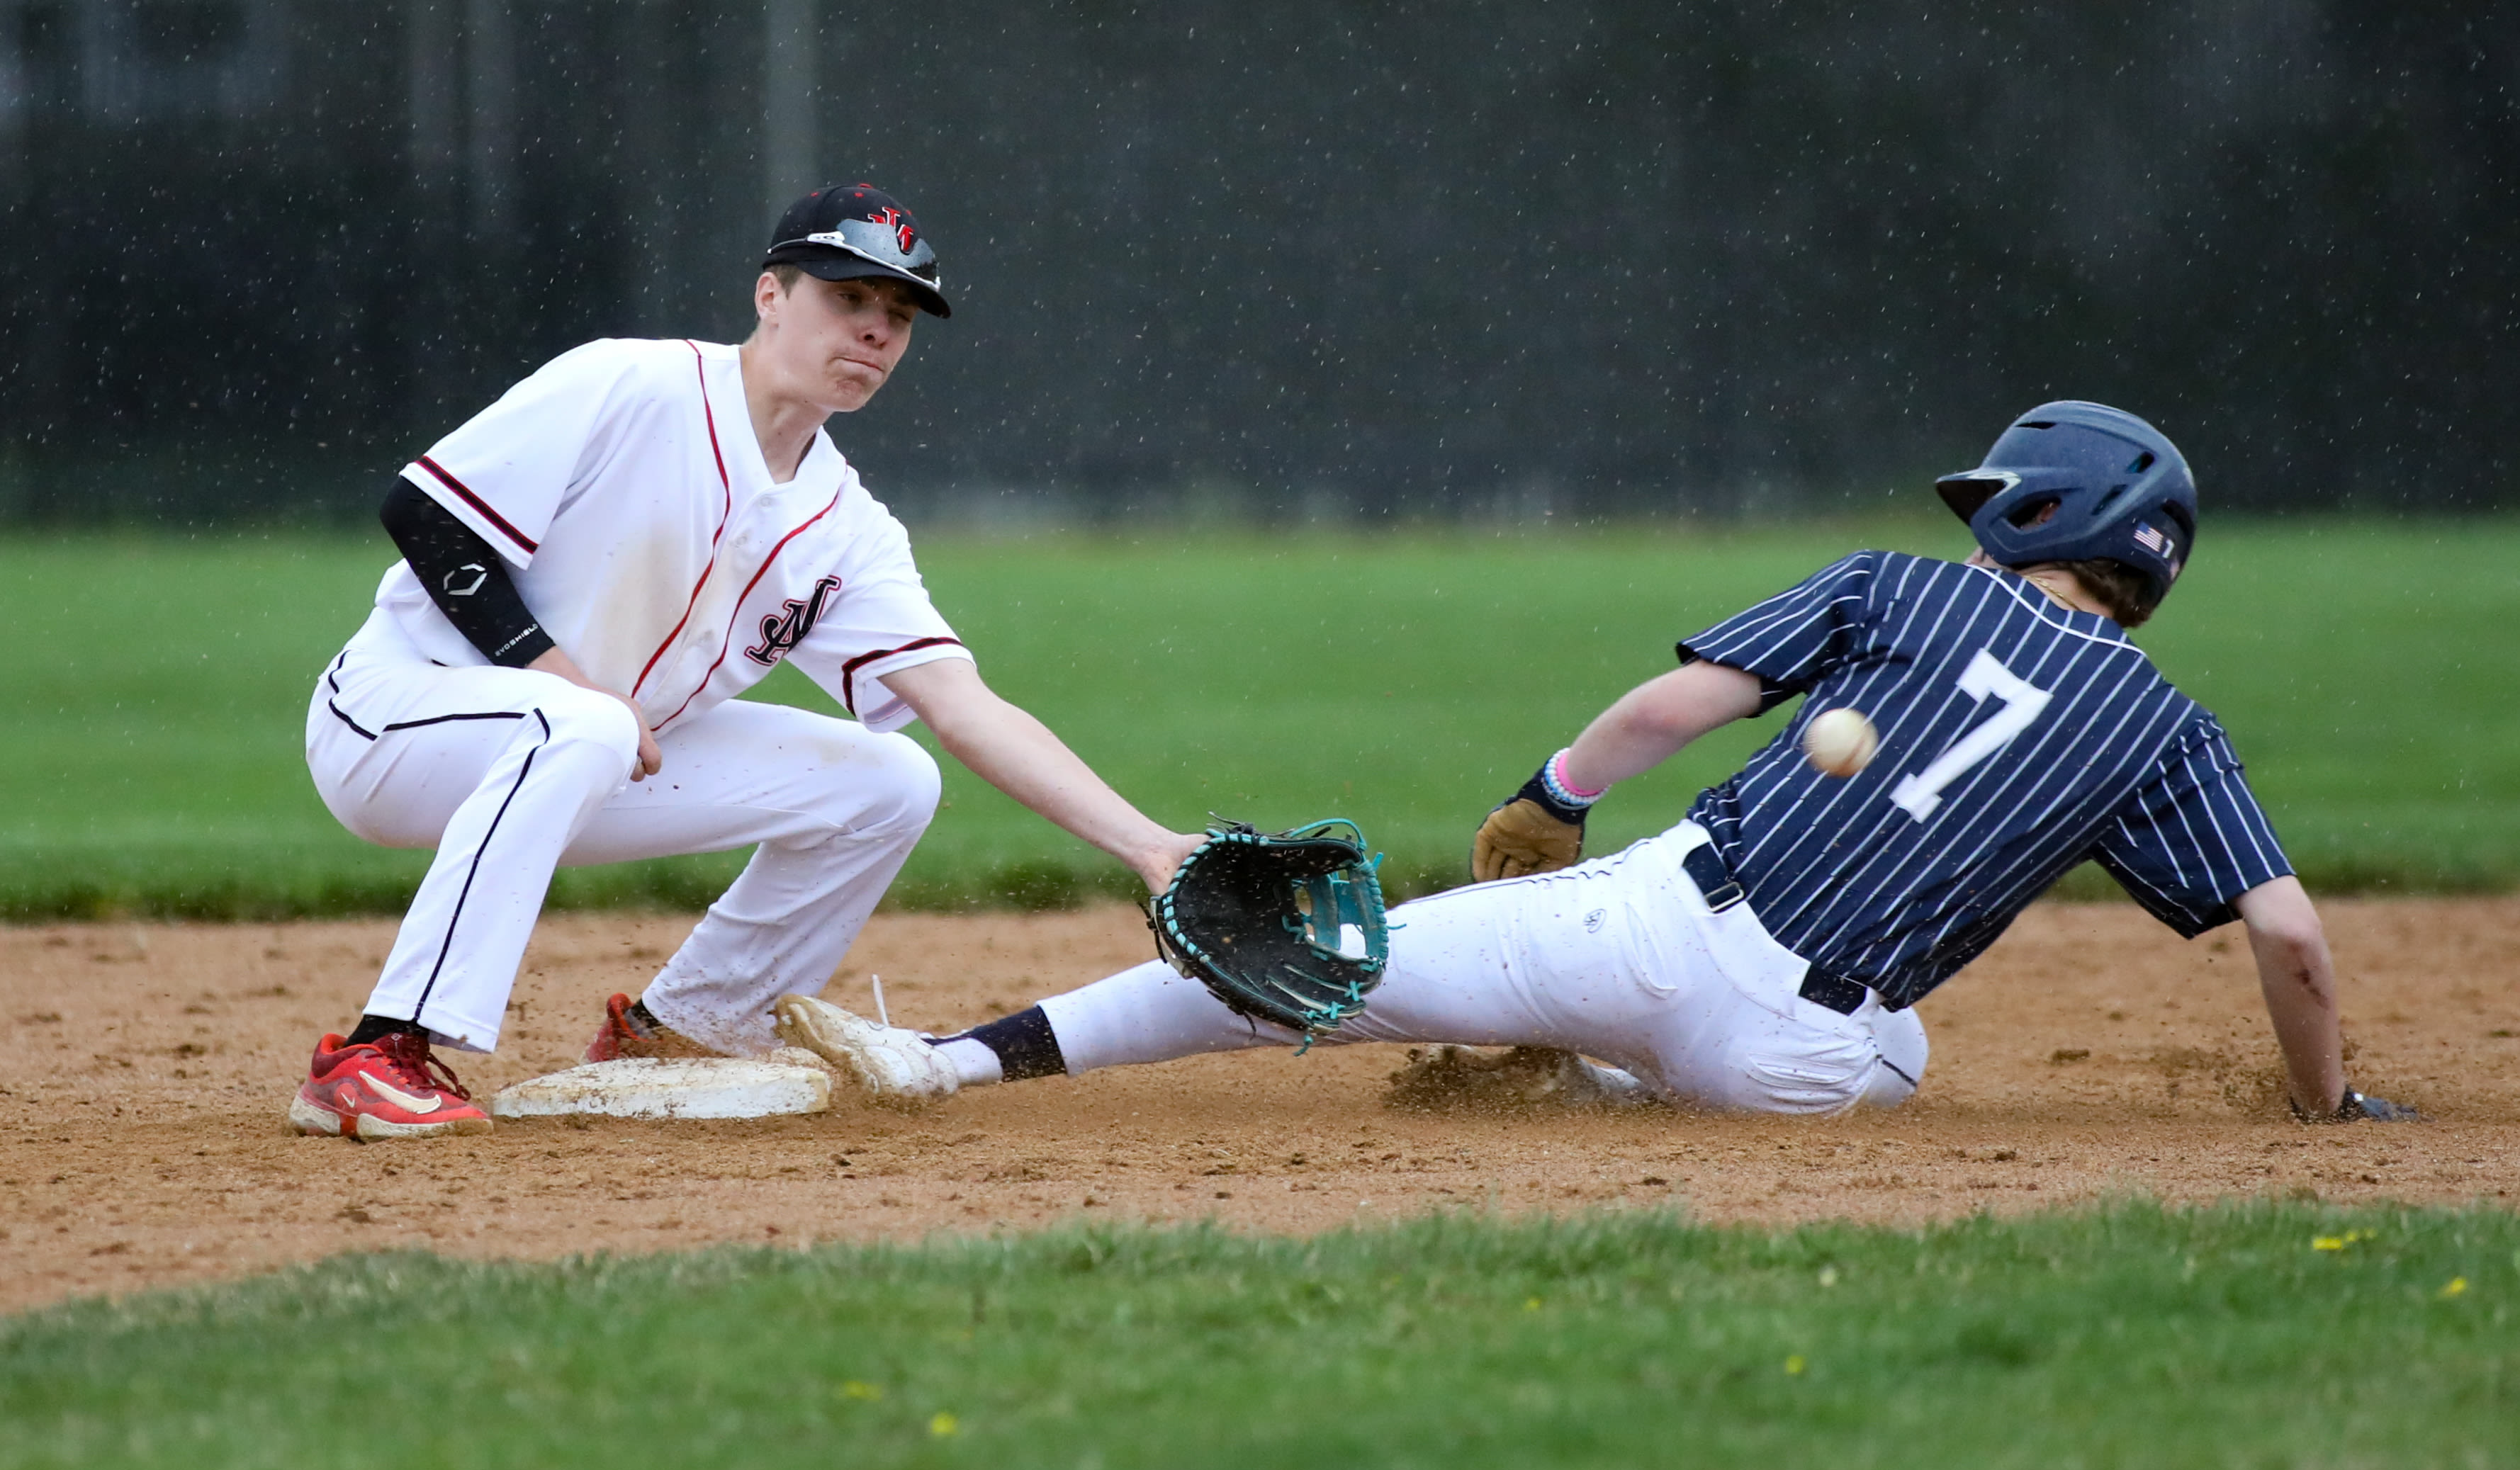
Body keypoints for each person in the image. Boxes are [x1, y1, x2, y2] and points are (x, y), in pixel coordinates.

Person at [776, 401, 2421, 1124]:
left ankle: (941, 1064)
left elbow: (1665, 710)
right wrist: (2322, 1100)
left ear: (2032, 510)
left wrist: (1553, 795)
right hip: (1785, 1062)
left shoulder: (1896, 586)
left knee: (1300, 956)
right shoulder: (2167, 728)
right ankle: (1606, 1062)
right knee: (1898, 1052)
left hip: (1637, 924)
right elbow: (2284, 935)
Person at [291, 183, 1202, 1140]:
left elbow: (961, 704)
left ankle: (681, 1032)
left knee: (890, 780)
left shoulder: (848, 529)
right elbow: (425, 515)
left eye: (897, 317)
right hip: (395, 723)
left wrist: (1152, 848)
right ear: (772, 296)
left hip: (592, 755)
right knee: (587, 721)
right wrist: (559, 676)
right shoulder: (631, 386)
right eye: (849, 299)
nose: (874, 334)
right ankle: (376, 1051)